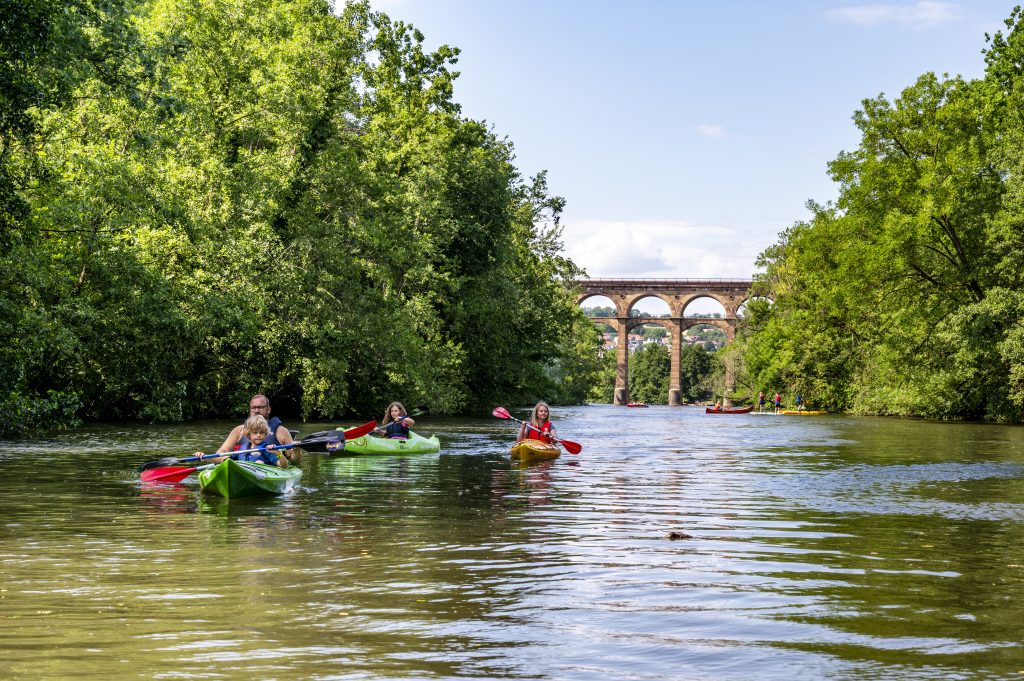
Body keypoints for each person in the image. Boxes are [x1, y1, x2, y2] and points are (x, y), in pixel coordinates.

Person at [205, 394, 297, 462]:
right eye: (253, 408)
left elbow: (294, 461)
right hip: (244, 468)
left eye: (260, 407)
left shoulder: (282, 431)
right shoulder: (239, 430)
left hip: (272, 469)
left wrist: (297, 451)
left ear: (268, 409)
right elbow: (222, 451)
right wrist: (223, 459)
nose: (256, 411)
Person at [208, 415, 289, 468]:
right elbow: (223, 460)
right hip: (243, 475)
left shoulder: (267, 449)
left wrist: (278, 453)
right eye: (255, 432)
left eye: (261, 432)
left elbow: (284, 466)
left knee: (259, 462)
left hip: (261, 476)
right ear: (248, 435)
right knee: (226, 459)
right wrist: (204, 457)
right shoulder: (242, 449)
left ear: (265, 434)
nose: (258, 435)